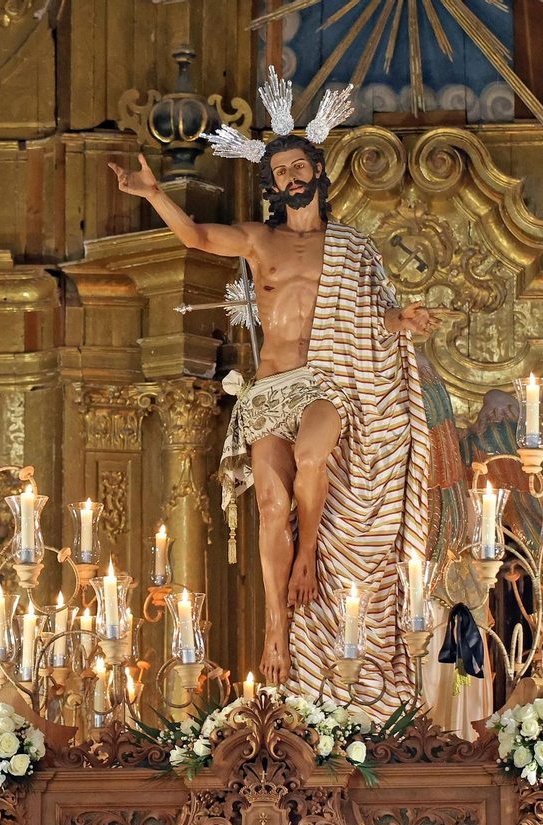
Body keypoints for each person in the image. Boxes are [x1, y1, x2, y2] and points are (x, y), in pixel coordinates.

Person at [109, 71, 443, 706]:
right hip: (269, 391)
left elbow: (375, 318)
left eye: (299, 167)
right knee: (268, 506)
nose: (291, 179)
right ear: (271, 182)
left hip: (326, 383)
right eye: (280, 171)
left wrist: (408, 320)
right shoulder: (260, 241)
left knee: (314, 460)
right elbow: (198, 238)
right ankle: (275, 633)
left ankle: (312, 551)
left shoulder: (350, 248)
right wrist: (153, 194)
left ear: (317, 173)